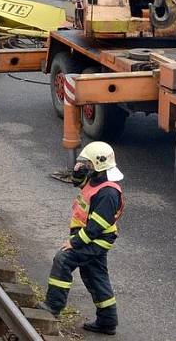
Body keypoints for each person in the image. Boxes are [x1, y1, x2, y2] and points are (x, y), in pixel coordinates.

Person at [38, 141, 124, 336]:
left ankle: (53, 306)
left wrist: (74, 243)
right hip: (90, 238)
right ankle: (107, 322)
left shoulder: (108, 193)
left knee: (63, 259)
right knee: (95, 275)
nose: (80, 167)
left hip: (95, 240)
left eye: (86, 164)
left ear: (97, 166)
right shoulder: (95, 183)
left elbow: (95, 228)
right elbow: (81, 190)